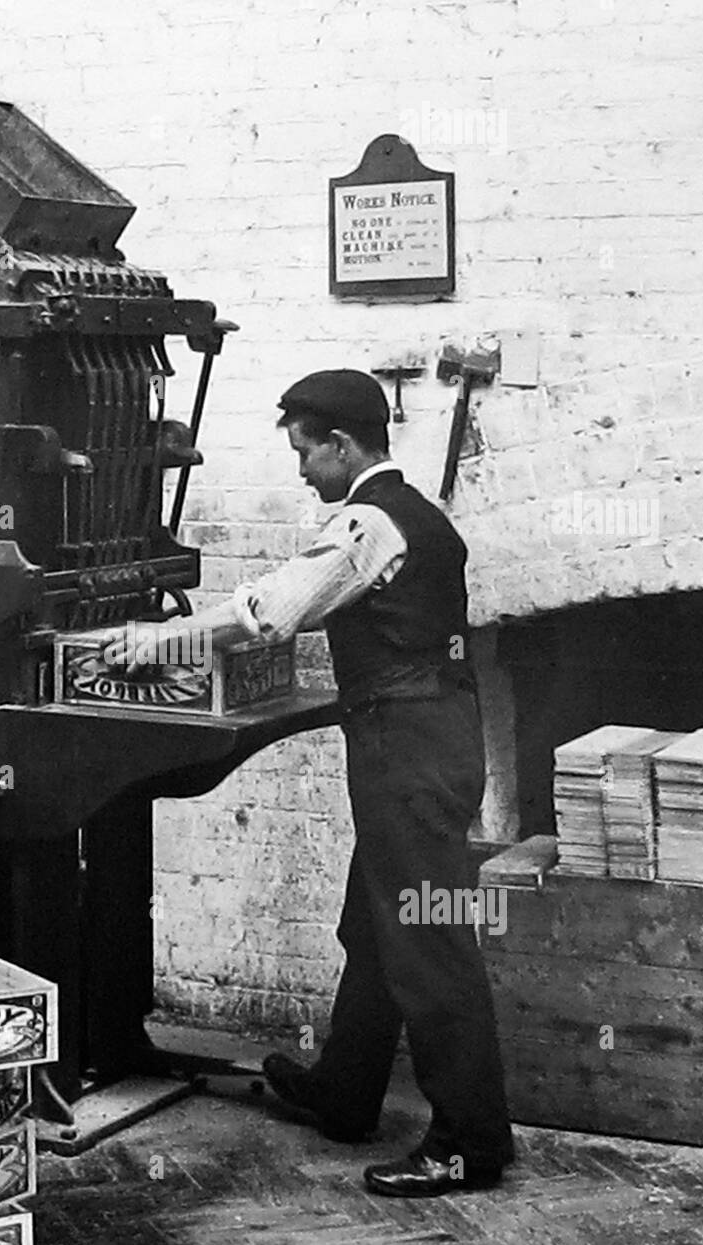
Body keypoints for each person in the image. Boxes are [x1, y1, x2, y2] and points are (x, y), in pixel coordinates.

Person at [104, 368, 515, 1197]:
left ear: (341, 443)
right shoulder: (419, 515)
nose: (301, 471)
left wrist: (156, 642)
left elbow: (271, 610)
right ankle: (346, 1091)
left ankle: (469, 1140)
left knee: (427, 941)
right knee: (376, 927)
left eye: (305, 452)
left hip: (411, 752)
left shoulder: (368, 524)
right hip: (422, 742)